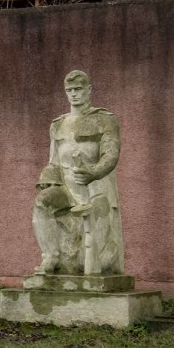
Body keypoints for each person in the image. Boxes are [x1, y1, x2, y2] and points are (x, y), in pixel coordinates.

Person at [32, 70, 123, 275]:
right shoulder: (58, 124)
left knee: (90, 263)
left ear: (89, 90)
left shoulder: (104, 120)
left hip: (96, 188)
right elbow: (54, 161)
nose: (73, 94)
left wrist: (93, 172)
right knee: (42, 202)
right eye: (69, 90)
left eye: (78, 89)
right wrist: (47, 179)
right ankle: (50, 257)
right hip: (67, 187)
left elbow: (111, 155)